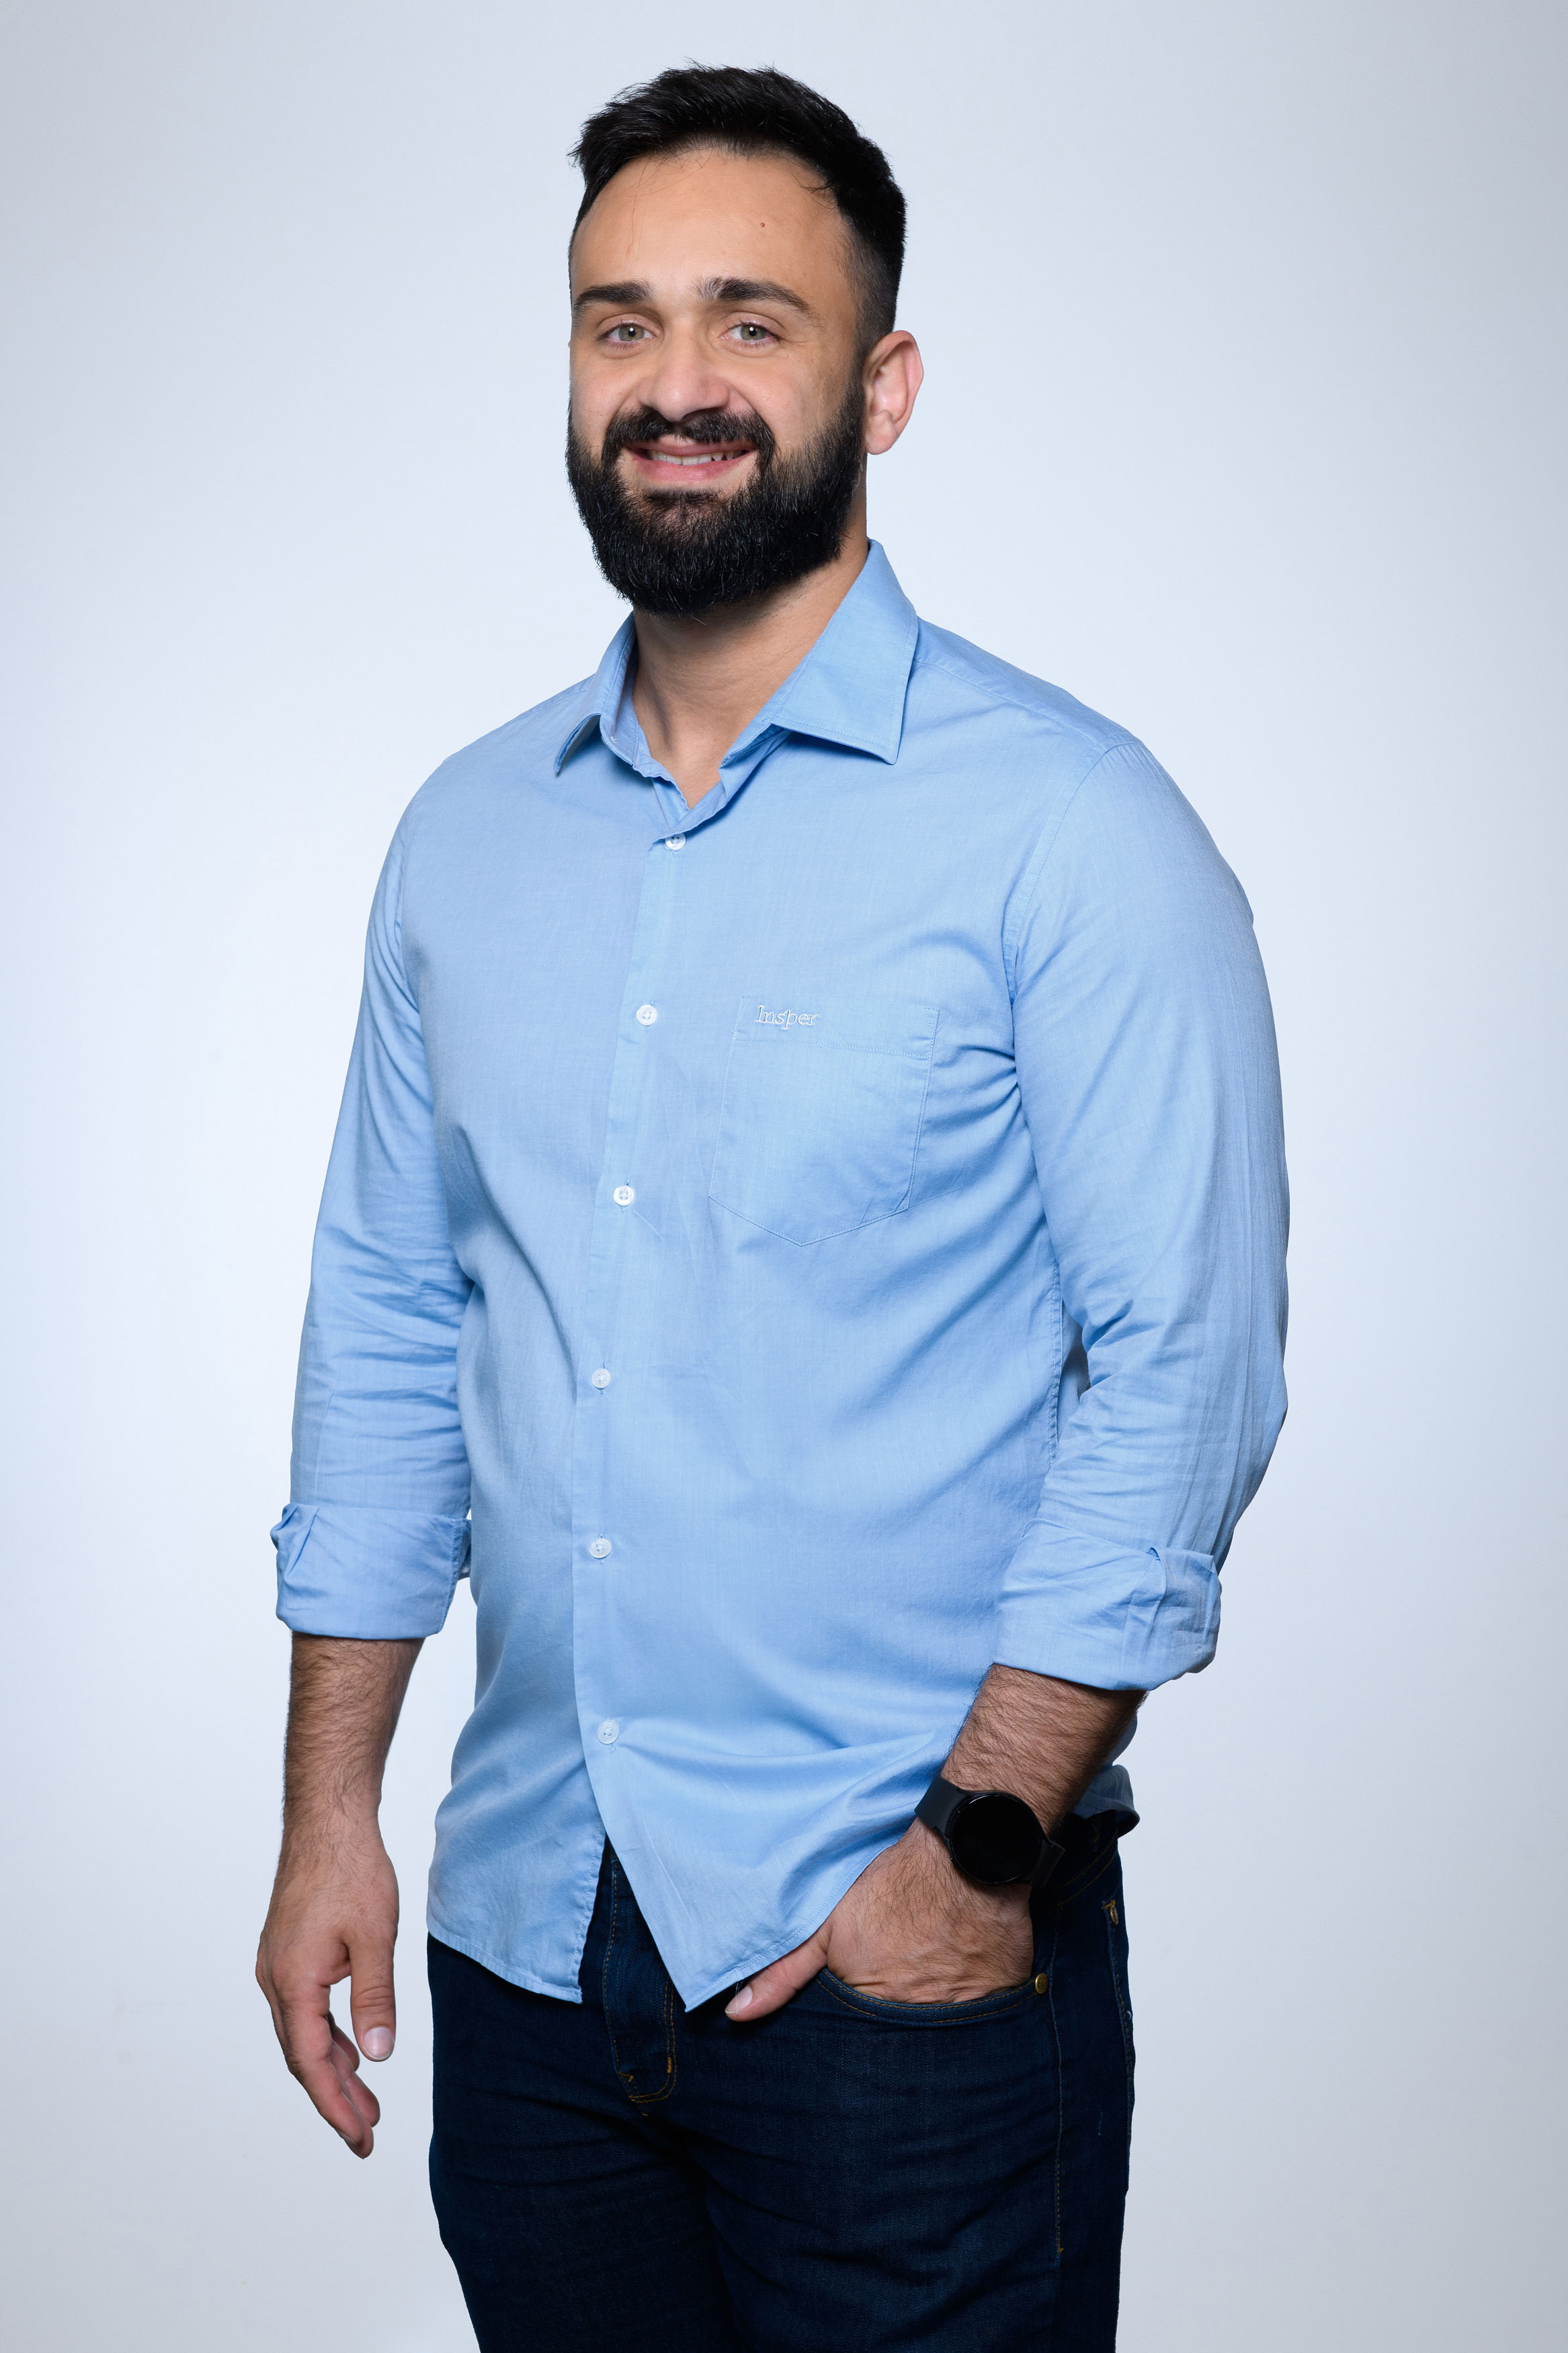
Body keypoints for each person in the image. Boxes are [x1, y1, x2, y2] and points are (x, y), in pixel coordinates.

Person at [255, 63, 1288, 2353]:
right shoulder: (464, 839)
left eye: (752, 321)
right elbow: (391, 1323)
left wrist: (979, 1854)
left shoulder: (1072, 830)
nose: (677, 383)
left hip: (899, 1977)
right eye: (620, 324)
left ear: (882, 385)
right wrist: (333, 1811)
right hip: (527, 1957)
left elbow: (1188, 1374)